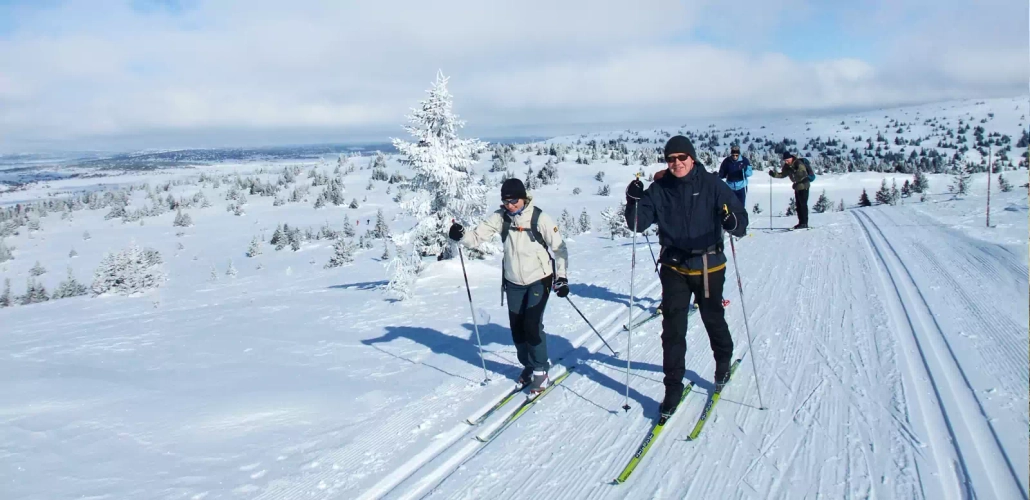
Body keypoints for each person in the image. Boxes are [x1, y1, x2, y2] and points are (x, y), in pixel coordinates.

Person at [625, 135, 748, 417]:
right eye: (671, 159)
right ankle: (673, 387)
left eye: (682, 157)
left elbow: (741, 223)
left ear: (692, 158)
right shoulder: (659, 189)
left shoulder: (712, 185)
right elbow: (638, 224)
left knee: (712, 318)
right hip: (674, 267)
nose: (677, 163)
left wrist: (733, 222)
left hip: (709, 265)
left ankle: (723, 362)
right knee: (672, 329)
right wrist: (632, 201)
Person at [448, 178, 569, 394]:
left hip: (539, 278)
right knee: (517, 329)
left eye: (514, 201)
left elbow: (560, 249)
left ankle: (541, 370)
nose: (510, 205)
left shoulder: (539, 218)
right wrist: (462, 235)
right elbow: (475, 238)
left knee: (532, 325)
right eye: (506, 201)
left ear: (523, 198)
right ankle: (529, 365)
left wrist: (562, 277)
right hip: (513, 282)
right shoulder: (501, 217)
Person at [769, 151, 812, 229]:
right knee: (798, 206)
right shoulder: (787, 166)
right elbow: (783, 174)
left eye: (787, 160)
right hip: (797, 186)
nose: (786, 162)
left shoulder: (798, 163)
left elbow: (803, 174)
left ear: (791, 158)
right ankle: (801, 222)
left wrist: (793, 170)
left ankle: (804, 223)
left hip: (804, 185)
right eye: (785, 160)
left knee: (803, 205)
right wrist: (774, 174)